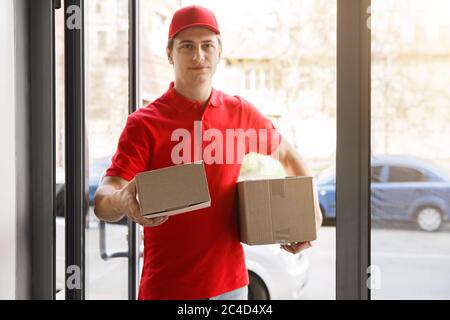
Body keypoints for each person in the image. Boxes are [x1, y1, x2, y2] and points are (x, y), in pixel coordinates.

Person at [94, 5, 323, 300]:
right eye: (187, 46)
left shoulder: (240, 113)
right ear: (170, 53)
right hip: (166, 287)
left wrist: (309, 216)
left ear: (219, 52)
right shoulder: (144, 124)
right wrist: (123, 200)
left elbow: (289, 157)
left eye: (207, 46)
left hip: (232, 286)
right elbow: (103, 200)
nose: (198, 56)